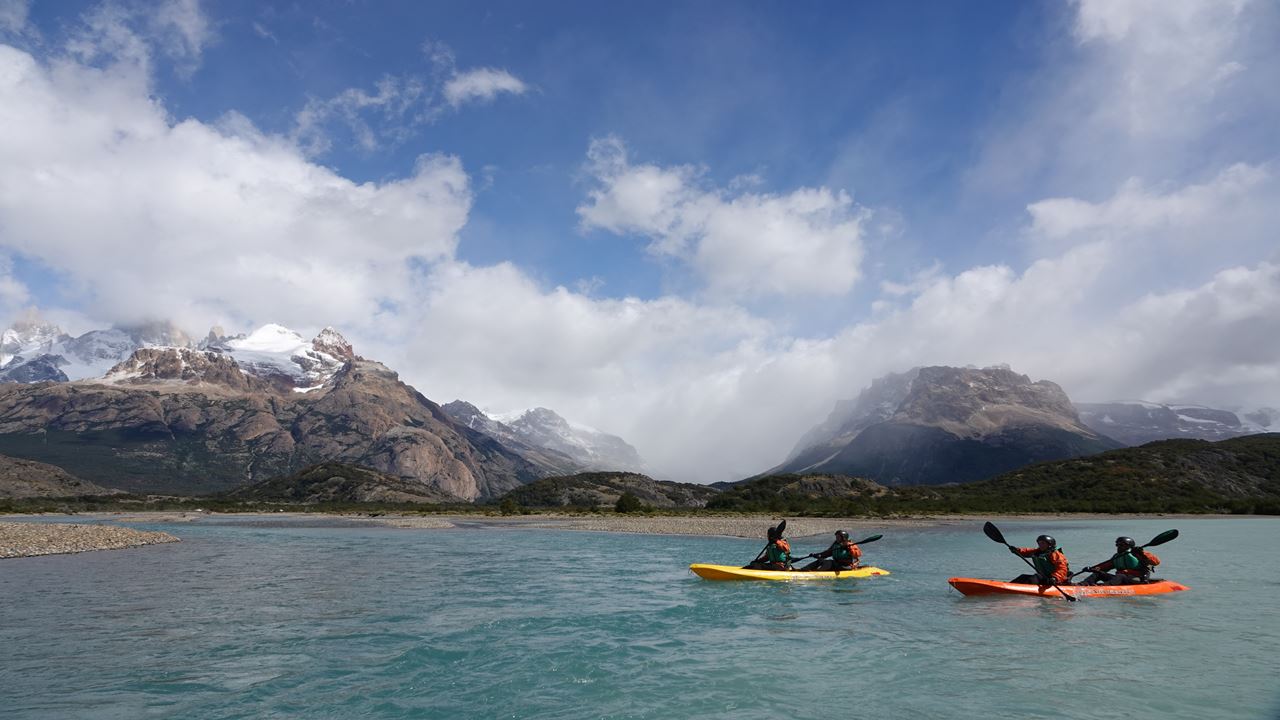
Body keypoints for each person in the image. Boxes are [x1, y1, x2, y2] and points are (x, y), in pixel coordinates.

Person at [1079, 536, 1160, 585]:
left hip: (1136, 579)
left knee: (1120, 576)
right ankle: (1083, 584)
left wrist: (1142, 553)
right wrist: (1092, 569)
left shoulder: (1138, 553)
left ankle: (1104, 586)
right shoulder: (1117, 556)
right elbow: (1105, 566)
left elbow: (1156, 562)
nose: (1119, 547)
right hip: (1119, 578)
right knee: (1098, 574)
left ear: (1129, 546)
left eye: (1121, 545)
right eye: (1117, 545)